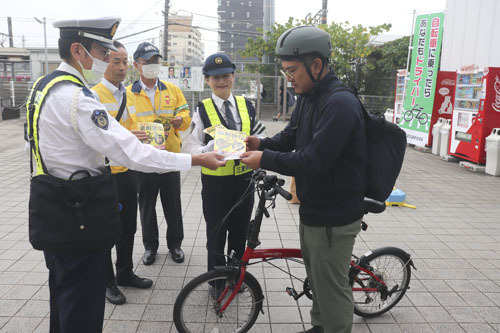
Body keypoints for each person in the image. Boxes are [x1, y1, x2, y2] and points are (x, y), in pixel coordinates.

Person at [27, 17, 224, 333]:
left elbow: (36, 145)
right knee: (81, 307)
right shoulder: (78, 98)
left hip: (51, 208)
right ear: (78, 50)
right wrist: (196, 159)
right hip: (78, 213)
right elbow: (132, 154)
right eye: (101, 52)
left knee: (62, 299)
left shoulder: (43, 88)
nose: (105, 60)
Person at [241, 26, 367, 333]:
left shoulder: (339, 104)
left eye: (293, 70)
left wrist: (264, 159)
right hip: (314, 210)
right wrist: (262, 144)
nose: (289, 78)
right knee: (318, 282)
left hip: (334, 216)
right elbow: (292, 135)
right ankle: (320, 325)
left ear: (317, 65)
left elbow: (314, 160)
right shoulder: (309, 95)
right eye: (285, 71)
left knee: (333, 291)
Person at [184, 53, 257, 284]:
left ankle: (236, 278)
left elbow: (259, 136)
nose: (221, 81)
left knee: (240, 233)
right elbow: (190, 145)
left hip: (245, 182)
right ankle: (216, 282)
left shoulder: (247, 106)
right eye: (215, 77)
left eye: (225, 76)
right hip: (216, 184)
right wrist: (208, 150)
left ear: (233, 77)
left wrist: (256, 145)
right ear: (207, 80)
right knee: (216, 234)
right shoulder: (202, 109)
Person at [91, 40, 152, 305]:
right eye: (116, 61)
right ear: (104, 62)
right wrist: (127, 135)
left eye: (125, 61)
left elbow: (130, 129)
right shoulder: (92, 96)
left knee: (128, 225)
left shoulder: (126, 94)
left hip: (128, 170)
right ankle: (107, 282)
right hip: (105, 174)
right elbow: (97, 137)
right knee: (107, 229)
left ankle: (125, 273)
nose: (121, 67)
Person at [128, 42, 191, 266]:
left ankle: (175, 244)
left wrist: (180, 120)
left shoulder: (172, 90)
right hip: (144, 159)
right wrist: (132, 134)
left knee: (172, 203)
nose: (153, 65)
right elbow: (123, 126)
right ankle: (150, 247)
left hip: (170, 157)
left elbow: (185, 113)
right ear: (137, 65)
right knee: (146, 205)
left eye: (156, 60)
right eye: (147, 61)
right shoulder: (128, 94)